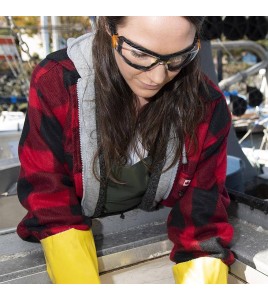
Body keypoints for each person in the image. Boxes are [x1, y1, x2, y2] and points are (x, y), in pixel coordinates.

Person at [17, 16, 235, 284]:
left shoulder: (207, 105)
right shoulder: (57, 82)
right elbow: (47, 193)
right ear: (108, 27)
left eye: (177, 59)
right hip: (69, 233)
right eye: (140, 54)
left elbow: (202, 216)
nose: (157, 77)